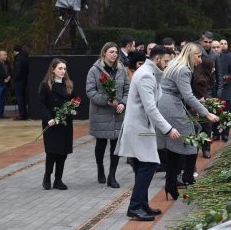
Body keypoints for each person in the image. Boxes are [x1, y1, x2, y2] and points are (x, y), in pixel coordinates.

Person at [115, 46, 180, 221]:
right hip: (139, 128)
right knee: (149, 165)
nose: (168, 64)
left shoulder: (150, 73)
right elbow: (150, 108)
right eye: (166, 61)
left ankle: (142, 205)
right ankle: (135, 207)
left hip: (141, 126)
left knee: (141, 167)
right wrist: (168, 129)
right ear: (157, 59)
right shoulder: (145, 74)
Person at [157, 43, 219, 200]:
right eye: (198, 56)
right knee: (191, 140)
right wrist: (206, 113)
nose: (200, 60)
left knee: (175, 146)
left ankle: (171, 183)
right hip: (172, 106)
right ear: (191, 55)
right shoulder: (184, 69)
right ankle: (188, 178)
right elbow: (188, 96)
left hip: (167, 104)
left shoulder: (175, 65)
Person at [86, 42, 130, 188]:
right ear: (104, 52)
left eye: (116, 52)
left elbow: (127, 89)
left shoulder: (121, 69)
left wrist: (123, 103)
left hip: (117, 113)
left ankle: (112, 175)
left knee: (115, 146)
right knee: (101, 143)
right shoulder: (94, 70)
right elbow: (90, 91)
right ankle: (100, 168)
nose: (114, 54)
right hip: (101, 113)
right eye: (111, 52)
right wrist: (107, 100)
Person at [38, 58, 76, 190]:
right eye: (60, 68)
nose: (63, 71)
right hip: (52, 123)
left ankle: (58, 180)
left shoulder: (68, 84)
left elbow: (74, 99)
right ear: (53, 69)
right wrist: (49, 118)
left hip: (65, 123)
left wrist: (74, 105)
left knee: (63, 153)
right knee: (52, 152)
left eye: (64, 69)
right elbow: (41, 104)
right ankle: (47, 177)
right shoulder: (45, 85)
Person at [191, 57, 215, 158]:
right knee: (203, 128)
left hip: (201, 104)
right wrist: (212, 101)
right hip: (198, 106)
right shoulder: (200, 79)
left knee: (205, 128)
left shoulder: (204, 76)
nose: (214, 69)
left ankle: (205, 149)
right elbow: (203, 94)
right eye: (212, 66)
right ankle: (202, 150)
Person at [13, 45, 29, 120]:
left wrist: (14, 79)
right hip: (25, 81)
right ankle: (24, 114)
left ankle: (22, 114)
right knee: (23, 98)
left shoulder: (19, 59)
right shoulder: (26, 57)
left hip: (19, 81)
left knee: (19, 98)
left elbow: (18, 71)